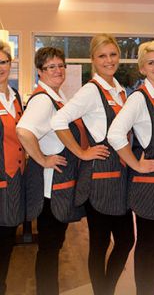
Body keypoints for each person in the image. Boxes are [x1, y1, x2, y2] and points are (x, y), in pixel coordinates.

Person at [50, 34, 134, 295]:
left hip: (122, 176)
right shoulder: (91, 90)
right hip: (100, 179)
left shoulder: (120, 90)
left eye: (113, 54)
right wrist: (81, 152)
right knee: (100, 243)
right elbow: (58, 121)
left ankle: (106, 290)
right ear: (93, 60)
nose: (109, 60)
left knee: (126, 241)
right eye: (102, 56)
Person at [108, 40, 154, 295]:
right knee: (148, 245)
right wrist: (136, 164)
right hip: (149, 185)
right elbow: (115, 134)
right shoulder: (139, 98)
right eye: (151, 62)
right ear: (142, 68)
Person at [17, 47, 86, 295]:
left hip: (58, 187)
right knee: (49, 249)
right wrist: (43, 159)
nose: (58, 71)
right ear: (40, 71)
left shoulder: (57, 96)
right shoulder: (43, 100)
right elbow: (23, 131)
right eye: (50, 67)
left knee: (53, 247)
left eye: (60, 65)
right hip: (50, 190)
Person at [0, 41, 24, 295]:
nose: (0, 67)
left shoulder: (15, 96)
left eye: (3, 62)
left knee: (7, 238)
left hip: (15, 180)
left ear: (10, 64)